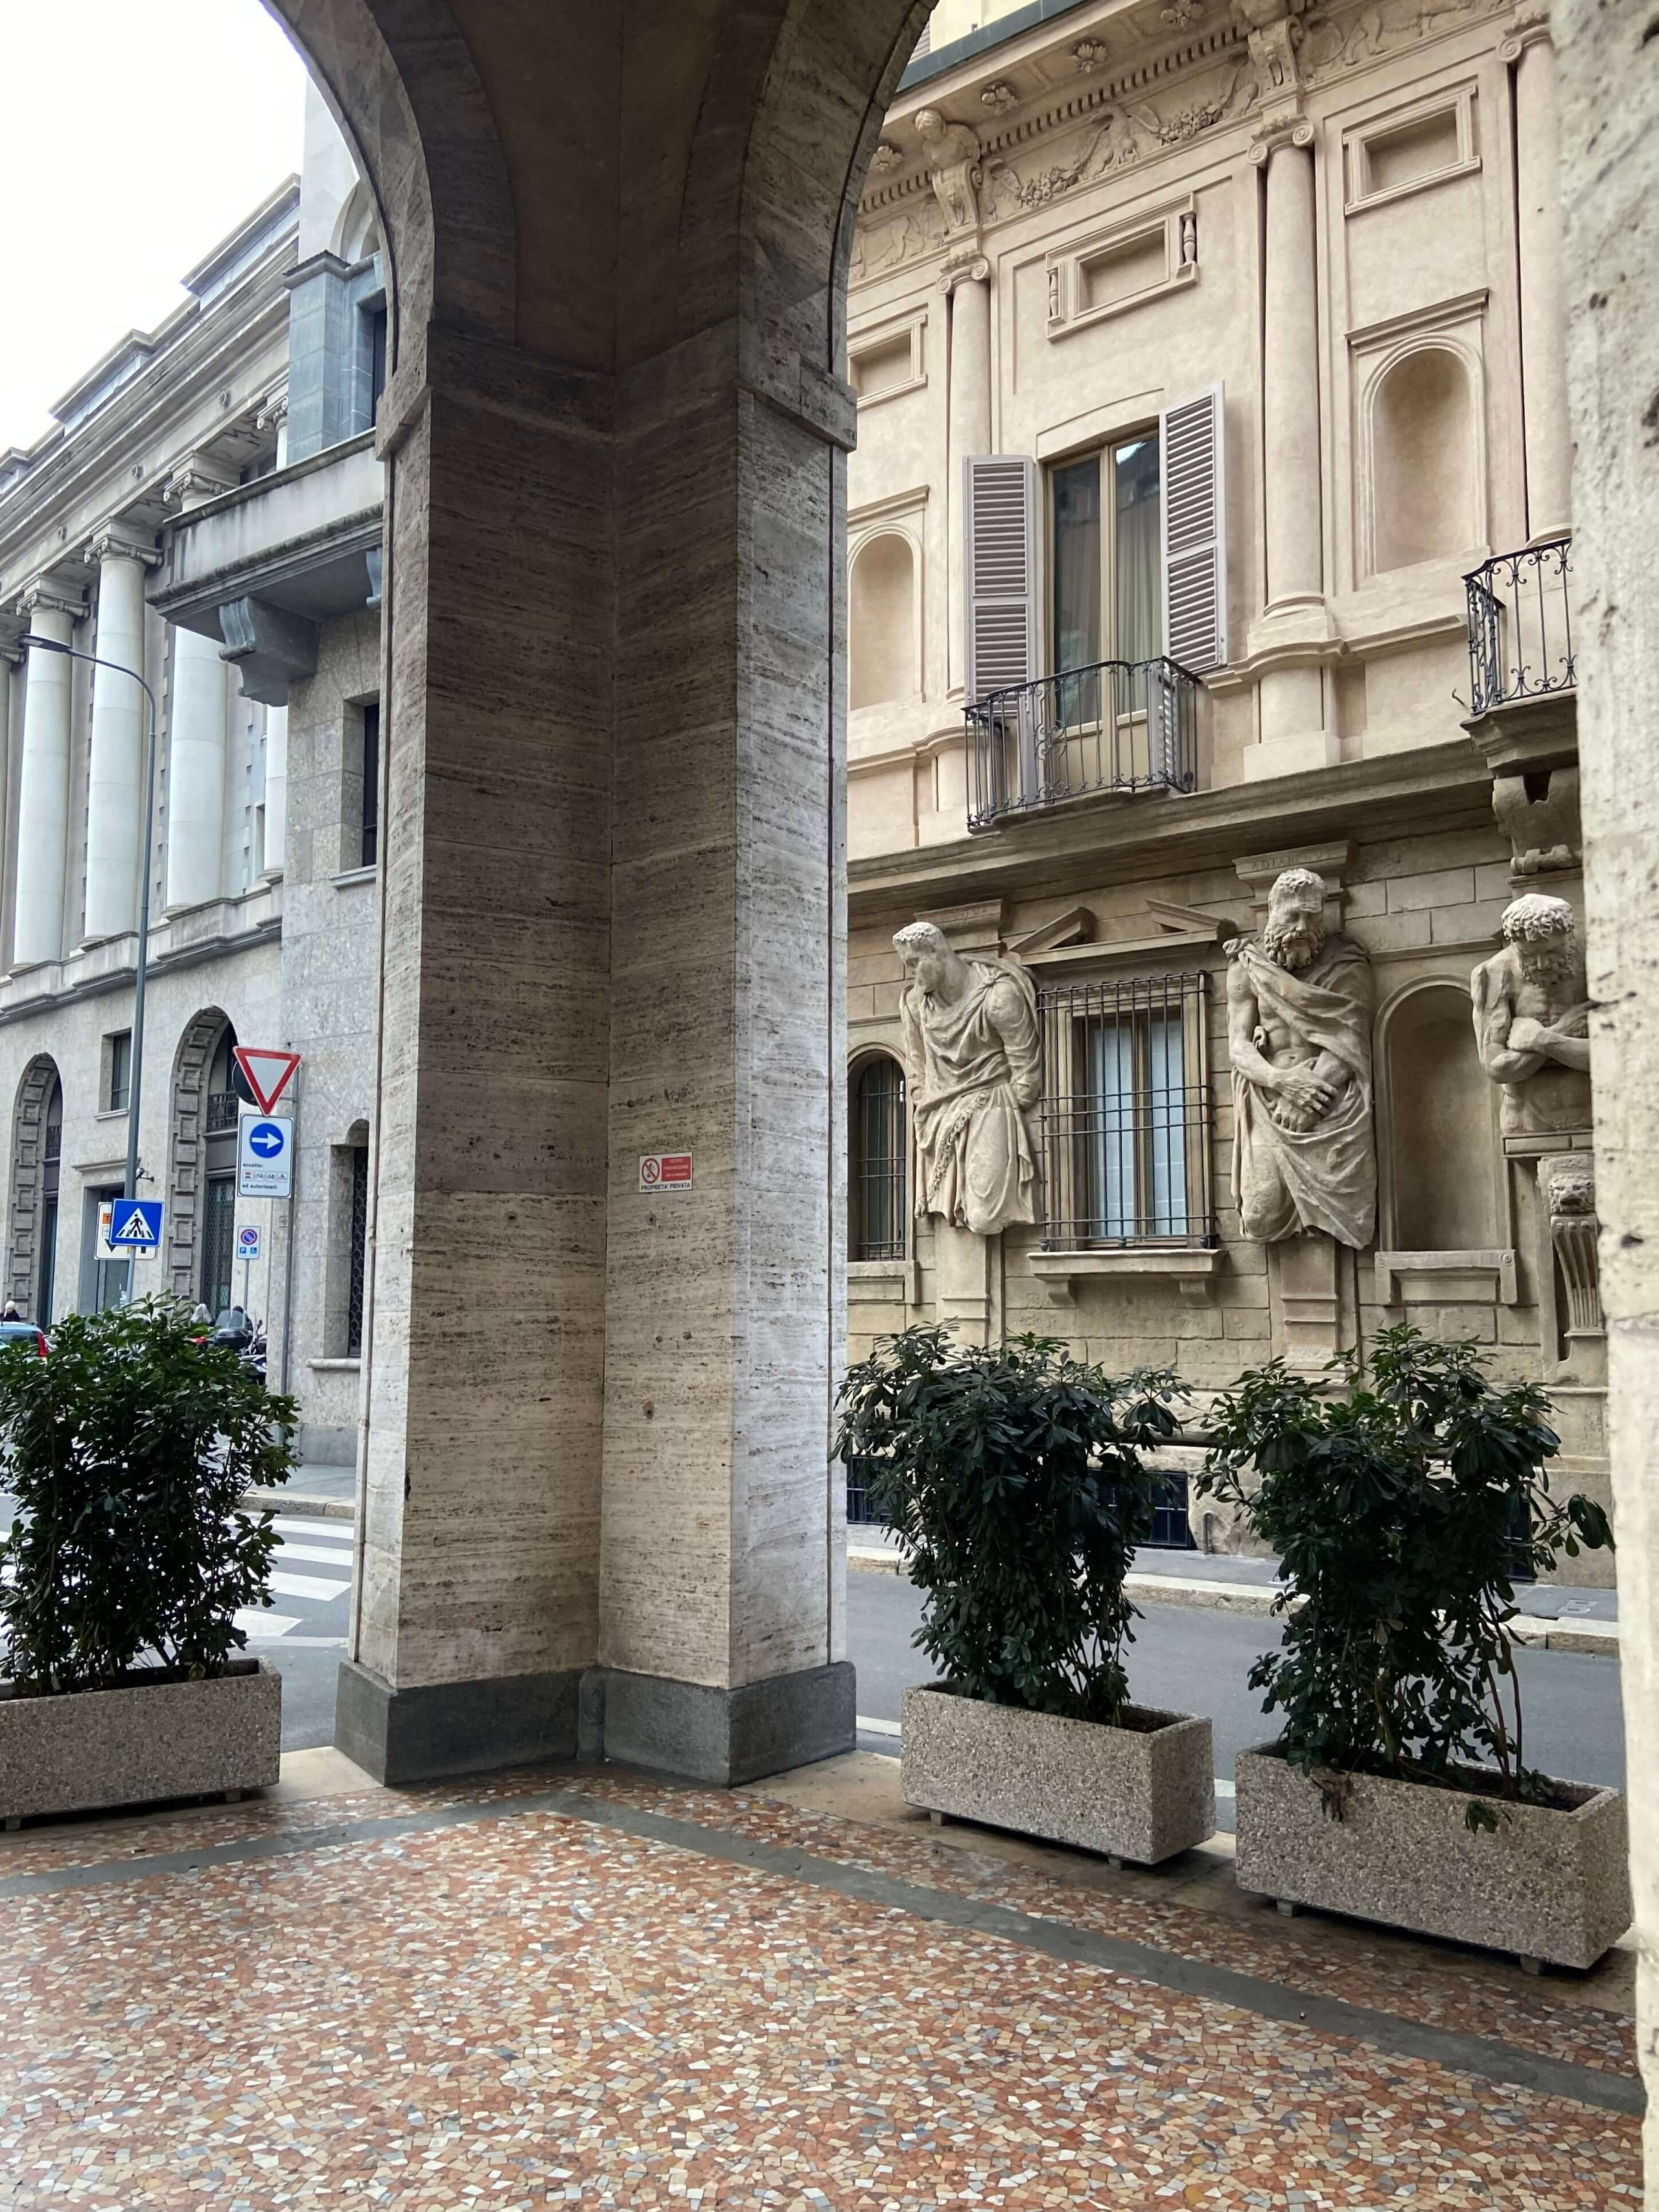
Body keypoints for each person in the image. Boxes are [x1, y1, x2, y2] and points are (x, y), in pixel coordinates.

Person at [1226, 868, 1376, 1249]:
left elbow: (1350, 1040)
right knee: (1259, 1219)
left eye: (1311, 915)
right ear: (1271, 913)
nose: (1302, 926)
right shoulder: (1246, 968)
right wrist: (1284, 1083)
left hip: (1330, 1103)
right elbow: (1238, 1047)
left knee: (1353, 1216)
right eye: (1292, 915)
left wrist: (1311, 1100)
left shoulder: (1347, 963)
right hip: (1274, 1103)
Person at [893, 920, 1041, 1237]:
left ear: (936, 952)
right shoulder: (916, 1005)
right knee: (962, 1216)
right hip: (938, 1111)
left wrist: (1000, 1115)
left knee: (984, 1216)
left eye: (914, 963)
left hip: (992, 1102)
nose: (912, 974)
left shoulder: (998, 999)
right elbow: (917, 1067)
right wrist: (927, 1105)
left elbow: (1026, 1075)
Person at [1471, 892, 1592, 1136]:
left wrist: (1536, 1040)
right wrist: (1563, 1033)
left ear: (1569, 936)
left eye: (1552, 953)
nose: (1541, 964)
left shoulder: (1598, 960)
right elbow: (1497, 1069)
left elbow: (1614, 1056)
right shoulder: (1494, 974)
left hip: (1601, 1115)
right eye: (1528, 955)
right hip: (1526, 1120)